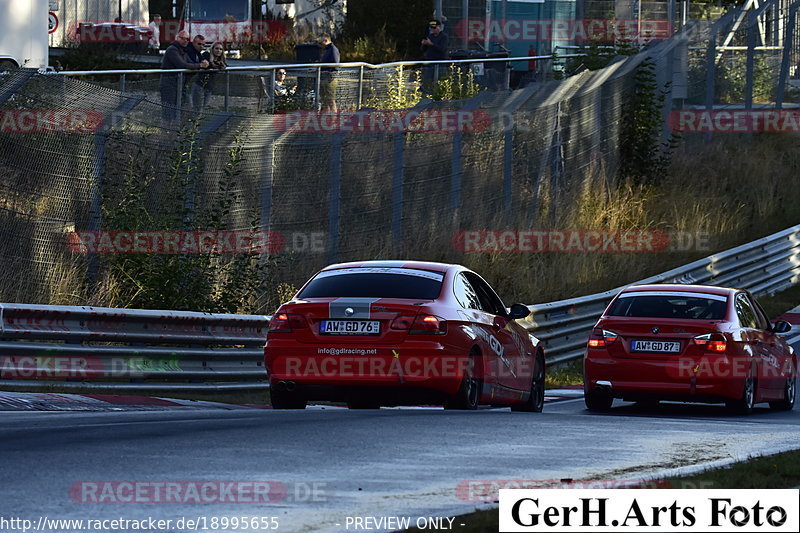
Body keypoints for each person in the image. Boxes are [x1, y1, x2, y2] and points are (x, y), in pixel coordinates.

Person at [160, 30, 209, 122]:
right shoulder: (172, 49)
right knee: (168, 109)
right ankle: (166, 130)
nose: (185, 41)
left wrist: (203, 63)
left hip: (179, 83)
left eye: (187, 39)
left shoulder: (183, 50)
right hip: (169, 83)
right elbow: (182, 64)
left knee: (178, 108)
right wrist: (200, 65)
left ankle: (175, 130)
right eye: (183, 38)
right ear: (177, 38)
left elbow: (190, 63)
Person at [191, 42, 227, 111]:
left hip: (209, 88)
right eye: (216, 48)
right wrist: (214, 65)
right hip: (200, 86)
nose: (218, 50)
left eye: (220, 49)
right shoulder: (206, 55)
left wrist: (222, 66)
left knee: (202, 109)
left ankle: (196, 121)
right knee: (197, 109)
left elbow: (226, 66)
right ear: (212, 49)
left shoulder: (221, 60)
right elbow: (206, 64)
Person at [421, 19, 449, 93]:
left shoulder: (444, 37)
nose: (433, 30)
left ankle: (441, 93)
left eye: (434, 28)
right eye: (432, 28)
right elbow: (424, 50)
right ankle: (428, 93)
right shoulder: (430, 36)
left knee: (441, 80)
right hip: (430, 62)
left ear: (439, 27)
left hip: (440, 62)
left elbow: (442, 49)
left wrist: (432, 44)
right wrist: (424, 44)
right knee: (428, 80)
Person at [318, 34, 340, 112]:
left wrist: (331, 77)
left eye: (321, 43)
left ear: (326, 41)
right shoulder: (327, 50)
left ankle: (334, 119)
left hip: (330, 79)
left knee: (331, 100)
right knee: (324, 100)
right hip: (324, 78)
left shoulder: (333, 50)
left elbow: (336, 65)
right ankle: (326, 118)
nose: (320, 45)